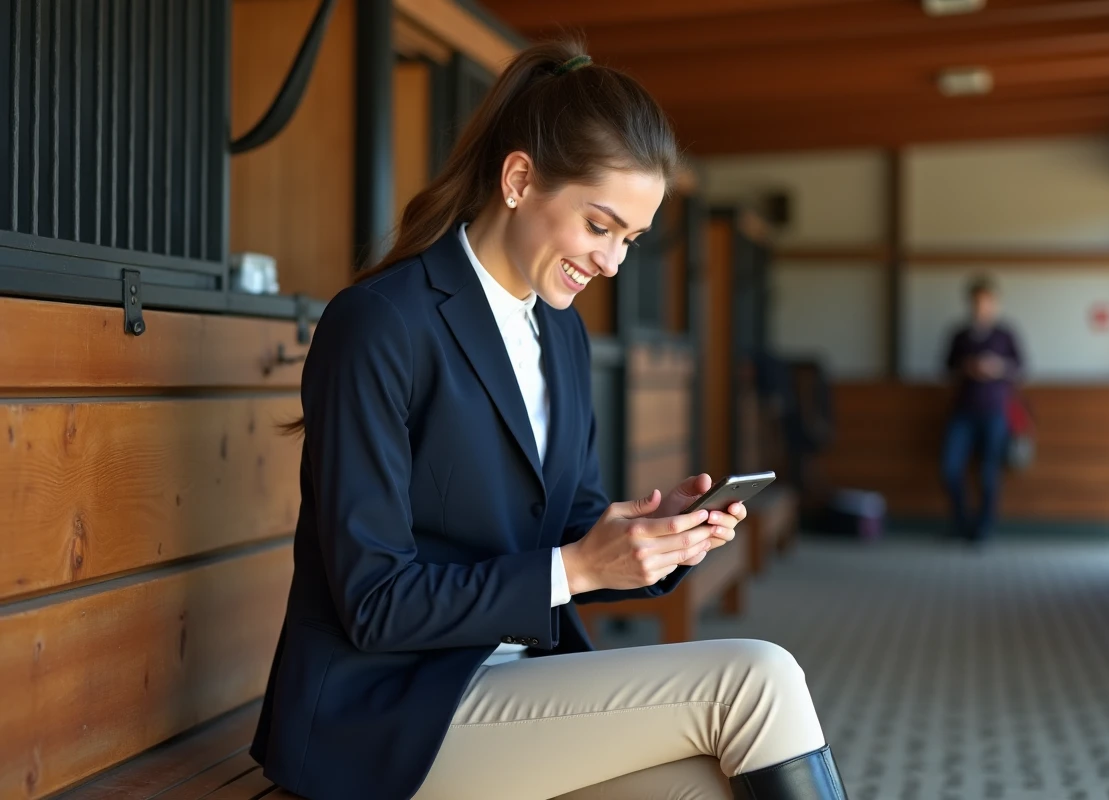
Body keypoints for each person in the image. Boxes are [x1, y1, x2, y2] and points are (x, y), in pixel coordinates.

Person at [249, 41, 847, 800]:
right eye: (599, 226)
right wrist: (581, 566)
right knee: (757, 680)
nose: (612, 263)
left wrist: (655, 540)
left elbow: (567, 533)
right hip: (389, 711)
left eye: (629, 240)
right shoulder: (380, 323)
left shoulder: (560, 334)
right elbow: (374, 602)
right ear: (519, 180)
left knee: (711, 788)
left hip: (518, 688)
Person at [941, 276, 1024, 543]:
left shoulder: (1005, 335)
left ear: (995, 303)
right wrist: (967, 367)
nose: (981, 307)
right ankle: (961, 524)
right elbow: (946, 368)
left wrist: (997, 368)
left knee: (989, 474)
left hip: (995, 411)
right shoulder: (960, 335)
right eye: (977, 302)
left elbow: (1020, 367)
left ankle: (983, 529)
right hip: (963, 411)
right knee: (950, 468)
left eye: (986, 302)